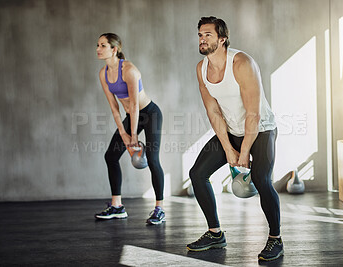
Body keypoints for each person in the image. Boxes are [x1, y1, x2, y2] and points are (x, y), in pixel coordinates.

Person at [187, 17, 283, 261]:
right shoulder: (201, 69)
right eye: (200, 34)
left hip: (260, 129)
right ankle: (215, 233)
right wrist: (229, 148)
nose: (202, 38)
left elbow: (253, 113)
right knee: (197, 174)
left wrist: (243, 153)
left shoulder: (241, 63)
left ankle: (275, 238)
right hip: (230, 130)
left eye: (208, 34)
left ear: (222, 39)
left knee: (261, 179)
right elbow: (213, 110)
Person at [94, 33, 165, 225]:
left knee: (153, 159)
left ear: (114, 49)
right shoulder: (103, 74)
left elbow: (134, 105)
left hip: (150, 114)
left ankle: (159, 208)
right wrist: (123, 133)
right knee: (111, 156)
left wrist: (132, 135)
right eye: (98, 45)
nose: (98, 49)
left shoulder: (129, 70)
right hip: (130, 116)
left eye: (103, 45)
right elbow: (114, 106)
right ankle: (117, 206)